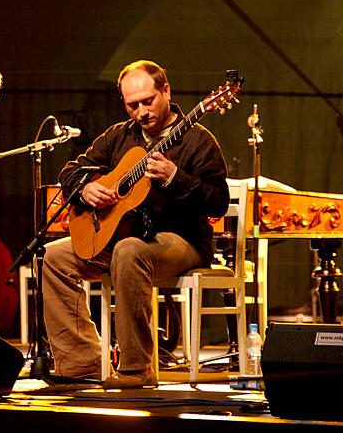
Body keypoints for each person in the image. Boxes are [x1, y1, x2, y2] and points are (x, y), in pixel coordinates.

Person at [42, 60, 229, 387]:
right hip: (123, 237)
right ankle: (81, 361)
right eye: (133, 105)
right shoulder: (118, 137)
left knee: (129, 252)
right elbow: (71, 170)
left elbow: (218, 201)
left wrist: (175, 178)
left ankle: (136, 369)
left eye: (148, 101)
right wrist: (84, 188)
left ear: (166, 91)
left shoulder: (198, 140)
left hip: (180, 240)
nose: (141, 111)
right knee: (55, 257)